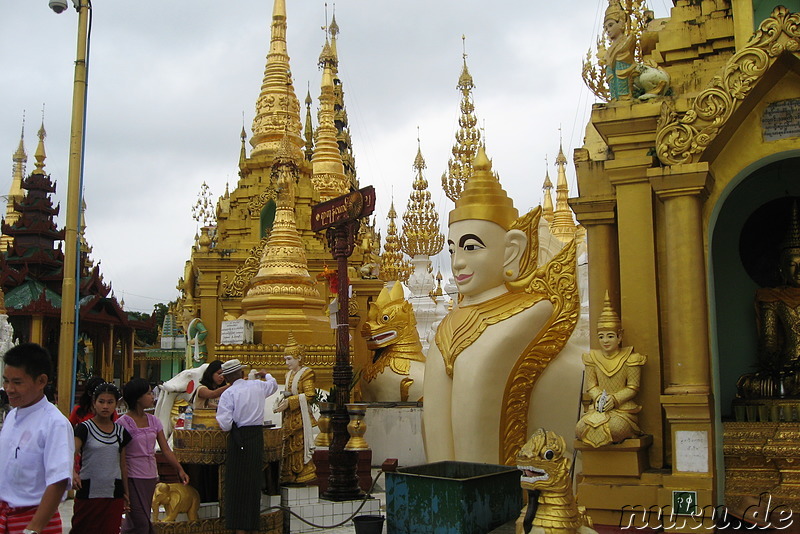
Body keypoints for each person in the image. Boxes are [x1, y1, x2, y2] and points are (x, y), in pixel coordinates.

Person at [423, 147, 575, 465]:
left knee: (474, 373)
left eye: (471, 247)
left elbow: (479, 392)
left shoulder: (531, 308)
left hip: (504, 467)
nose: (458, 262)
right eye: (451, 250)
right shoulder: (451, 322)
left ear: (510, 251)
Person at [0, 343, 74, 534]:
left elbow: (58, 481)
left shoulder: (54, 423)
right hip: (4, 516)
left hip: (35, 520)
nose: (9, 389)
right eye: (5, 381)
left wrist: (34, 528)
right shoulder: (10, 417)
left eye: (17, 382)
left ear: (41, 381)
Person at [575, 292, 647, 448]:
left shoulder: (631, 358)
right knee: (581, 428)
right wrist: (600, 398)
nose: (605, 341)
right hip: (599, 407)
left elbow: (633, 387)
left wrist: (614, 400)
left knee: (614, 429)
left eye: (610, 336)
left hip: (622, 409)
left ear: (619, 337)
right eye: (601, 337)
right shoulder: (592, 358)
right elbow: (592, 386)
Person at [118, 378, 189, 534]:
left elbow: (166, 450)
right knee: (140, 521)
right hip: (132, 477)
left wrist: (179, 469)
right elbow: (121, 457)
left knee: (141, 519)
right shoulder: (123, 423)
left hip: (150, 476)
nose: (152, 397)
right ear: (138, 398)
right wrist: (123, 486)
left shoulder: (154, 421)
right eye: (149, 393)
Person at [216, 359, 278, 534]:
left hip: (239, 439)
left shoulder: (229, 393)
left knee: (236, 484)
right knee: (252, 483)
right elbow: (273, 385)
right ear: (242, 374)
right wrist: (267, 374)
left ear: (227, 378)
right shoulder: (258, 385)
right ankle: (253, 526)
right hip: (256, 438)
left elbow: (225, 424)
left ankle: (239, 529)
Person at [71, 383, 132, 534]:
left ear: (116, 404)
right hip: (88, 491)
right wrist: (72, 473)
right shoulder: (84, 428)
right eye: (101, 402)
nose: (105, 406)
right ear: (94, 403)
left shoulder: (121, 432)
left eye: (110, 402)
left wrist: (126, 492)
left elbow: (122, 465)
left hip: (113, 492)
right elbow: (70, 453)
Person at [273, 335, 316, 484]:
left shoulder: (306, 373)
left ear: (299, 358)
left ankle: (303, 474)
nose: (287, 362)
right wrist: (282, 401)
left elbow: (310, 394)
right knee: (288, 445)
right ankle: (289, 475)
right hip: (289, 416)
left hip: (301, 416)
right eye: (285, 359)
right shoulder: (288, 374)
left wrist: (290, 401)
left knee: (299, 444)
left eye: (290, 359)